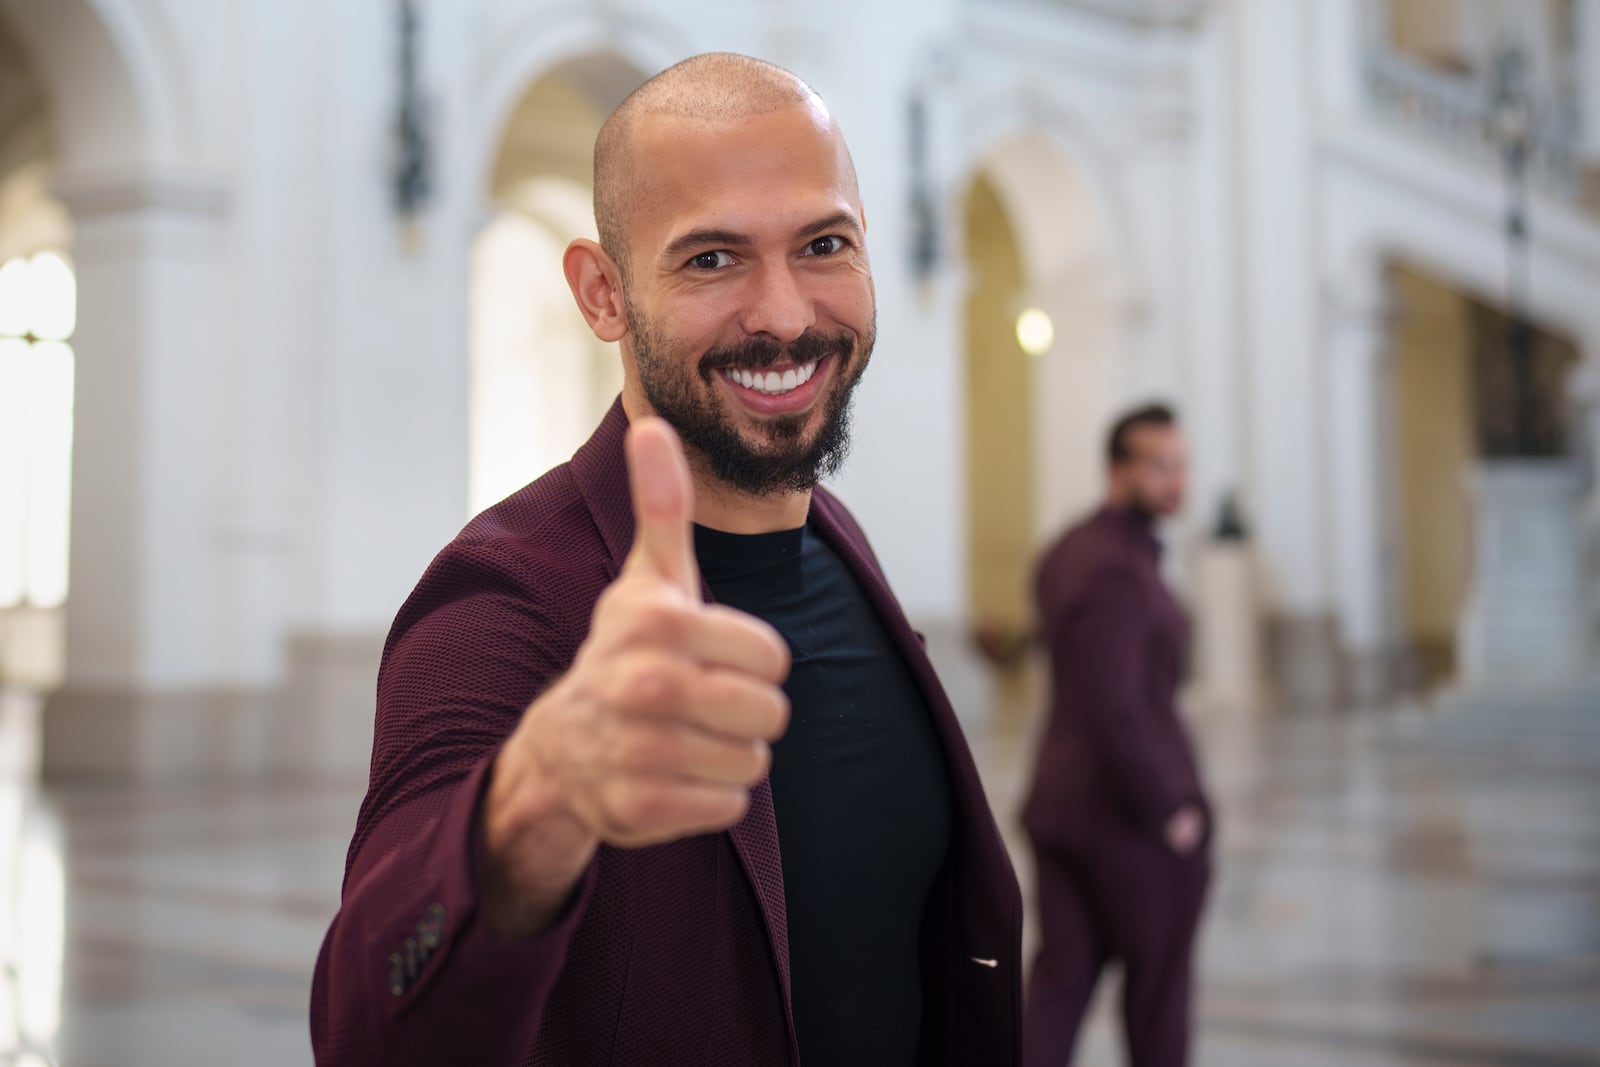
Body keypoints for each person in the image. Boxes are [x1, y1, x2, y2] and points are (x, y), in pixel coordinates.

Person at [309, 53, 1021, 1066]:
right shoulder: (504, 600)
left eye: (824, 243)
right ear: (603, 295)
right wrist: (532, 804)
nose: (783, 313)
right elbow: (363, 1027)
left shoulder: (837, 540)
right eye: (712, 259)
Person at [1019, 404, 1212, 1067]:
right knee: (1157, 1005)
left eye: (1181, 466)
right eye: (1158, 466)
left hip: (1066, 807)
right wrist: (1173, 810)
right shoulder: (1113, 567)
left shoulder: (1074, 549)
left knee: (1058, 987)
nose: (1174, 481)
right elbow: (1114, 707)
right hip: (1123, 821)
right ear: (1117, 471)